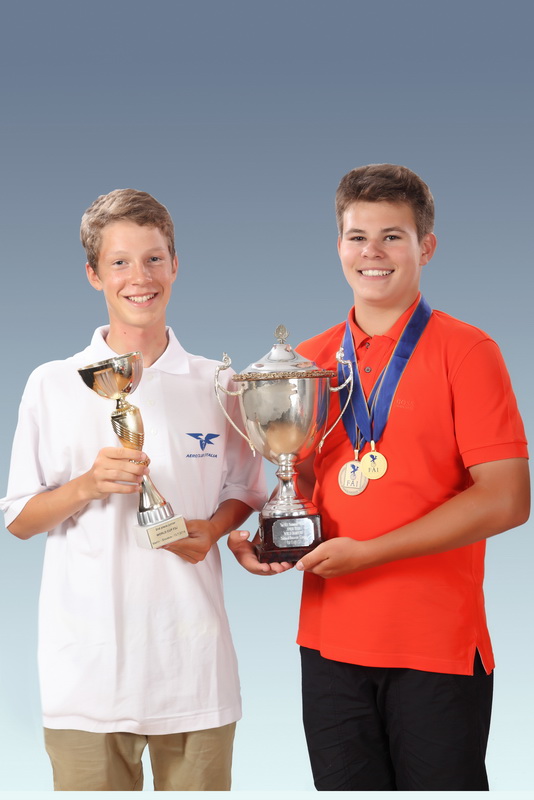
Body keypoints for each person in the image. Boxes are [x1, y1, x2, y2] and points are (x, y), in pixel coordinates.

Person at [228, 164, 530, 791]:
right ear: (339, 246)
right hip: (329, 647)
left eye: (393, 236)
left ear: (426, 247)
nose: (372, 252)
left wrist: (369, 553)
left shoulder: (467, 351)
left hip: (436, 648)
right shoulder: (308, 362)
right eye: (357, 236)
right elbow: (296, 483)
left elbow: (507, 499)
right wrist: (265, 538)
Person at [1, 189, 266, 791]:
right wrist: (87, 486)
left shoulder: (219, 382)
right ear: (94, 275)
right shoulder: (51, 383)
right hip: (87, 675)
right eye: (119, 262)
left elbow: (245, 488)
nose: (139, 277)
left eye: (153, 259)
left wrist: (214, 528)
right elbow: (19, 519)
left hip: (194, 669)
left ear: (175, 265)